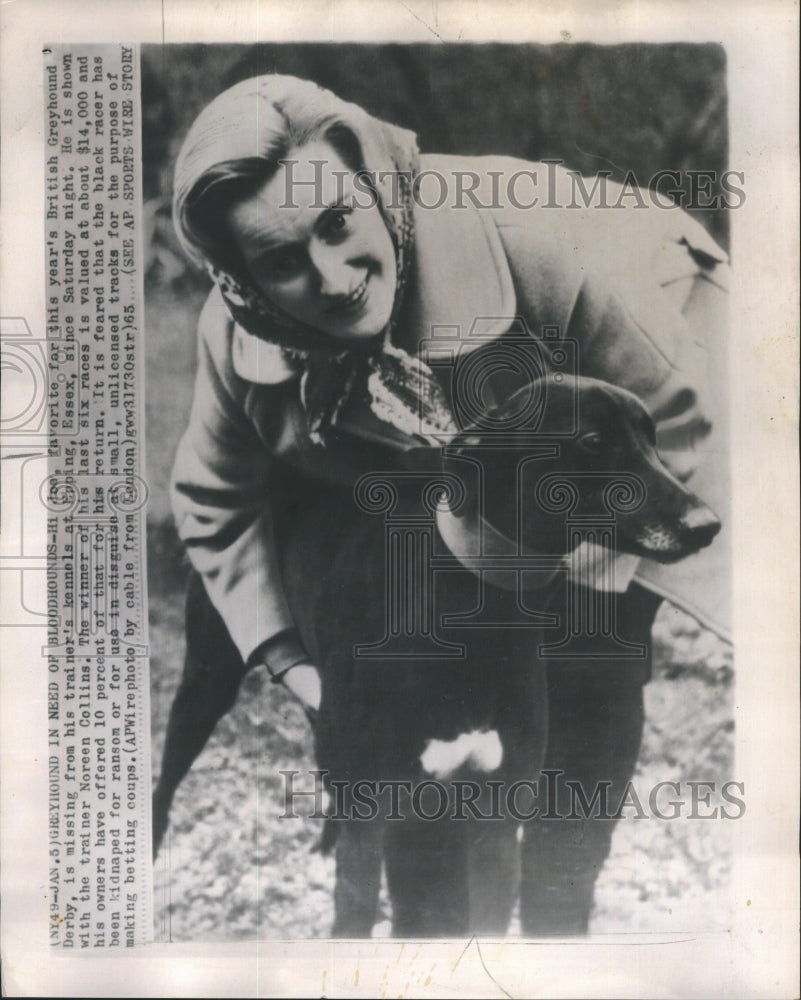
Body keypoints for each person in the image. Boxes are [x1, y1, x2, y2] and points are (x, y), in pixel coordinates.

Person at [163, 73, 730, 933]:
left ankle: (557, 922)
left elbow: (680, 425)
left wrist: (571, 584)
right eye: (281, 261)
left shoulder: (540, 249)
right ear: (241, 282)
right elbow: (217, 503)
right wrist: (297, 665)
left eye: (336, 224)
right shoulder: (235, 334)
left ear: (371, 188)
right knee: (433, 673)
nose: (330, 276)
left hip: (641, 376)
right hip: (439, 461)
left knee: (584, 661)